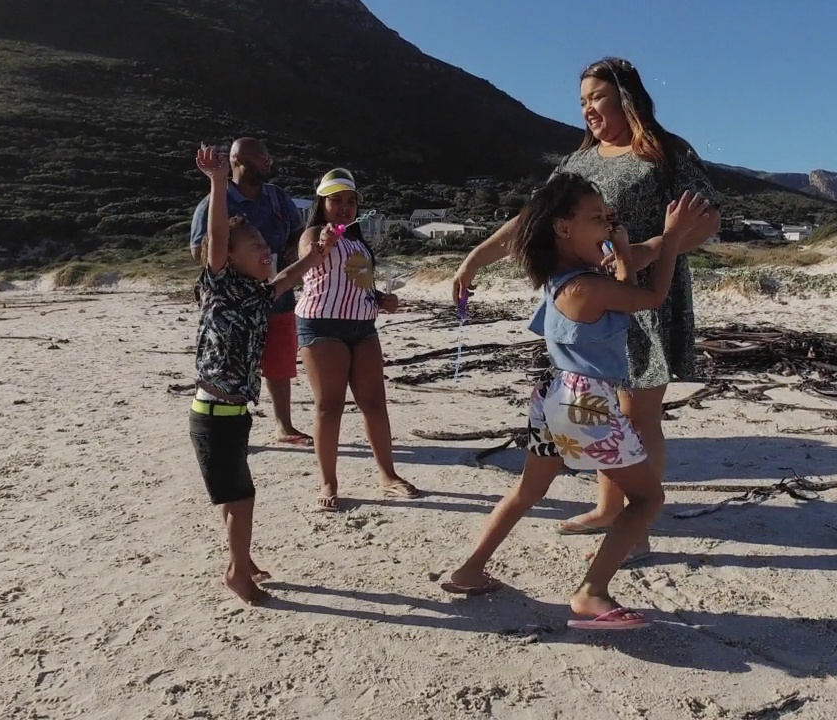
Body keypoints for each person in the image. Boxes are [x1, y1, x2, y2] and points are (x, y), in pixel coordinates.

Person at [450, 57, 721, 561]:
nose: (587, 109)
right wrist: (475, 258)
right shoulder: (579, 163)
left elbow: (706, 218)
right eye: (581, 102)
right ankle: (605, 507)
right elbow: (533, 217)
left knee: (639, 413)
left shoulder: (666, 152)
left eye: (596, 97)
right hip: (591, 300)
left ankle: (636, 520)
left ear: (625, 96)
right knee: (602, 405)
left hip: (646, 293)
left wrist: (651, 248)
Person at [442, 173, 709, 629]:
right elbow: (651, 296)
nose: (606, 226)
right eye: (596, 218)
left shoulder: (565, 278)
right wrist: (675, 236)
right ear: (564, 227)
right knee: (646, 500)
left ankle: (469, 569)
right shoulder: (588, 285)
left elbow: (634, 269)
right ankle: (592, 592)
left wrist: (633, 247)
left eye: (607, 218)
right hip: (588, 402)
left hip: (552, 396)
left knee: (528, 490)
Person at [189, 145, 337, 604]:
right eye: (256, 246)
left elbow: (290, 276)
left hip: (232, 413)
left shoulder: (257, 295)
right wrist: (217, 183)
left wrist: (319, 254)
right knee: (242, 498)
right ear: (230, 257)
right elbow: (216, 235)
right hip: (213, 414)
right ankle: (237, 571)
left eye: (265, 245)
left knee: (237, 494)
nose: (266, 250)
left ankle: (243, 560)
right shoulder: (220, 284)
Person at [295, 168, 421, 512]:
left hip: (363, 328)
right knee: (329, 406)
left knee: (375, 404)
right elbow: (307, 263)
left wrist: (382, 299)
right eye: (336, 200)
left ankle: (388, 475)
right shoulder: (312, 234)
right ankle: (329, 481)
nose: (344, 208)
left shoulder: (357, 242)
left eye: (350, 202)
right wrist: (322, 245)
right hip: (322, 326)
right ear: (322, 202)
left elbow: (358, 283)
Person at [190, 137, 313, 447]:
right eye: (260, 157)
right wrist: (231, 266)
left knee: (279, 361)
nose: (267, 162)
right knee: (227, 362)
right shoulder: (213, 203)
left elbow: (297, 239)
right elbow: (202, 247)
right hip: (231, 299)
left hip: (274, 295)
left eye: (268, 156)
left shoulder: (278, 198)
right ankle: (222, 425)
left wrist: (298, 251)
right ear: (237, 162)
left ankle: (283, 426)